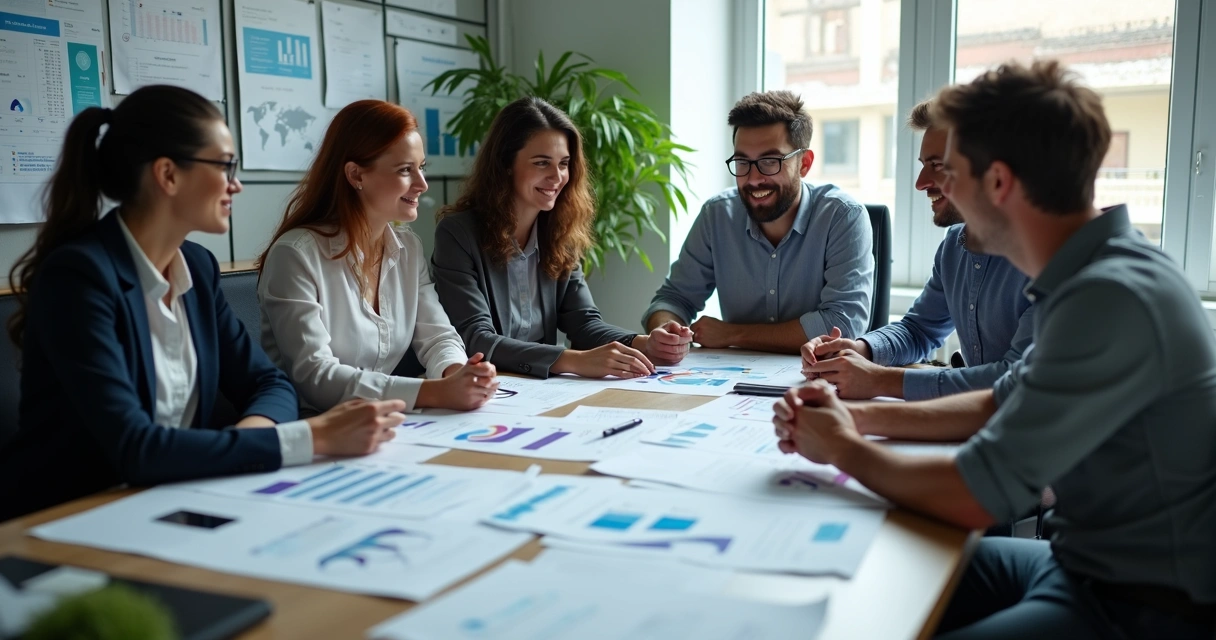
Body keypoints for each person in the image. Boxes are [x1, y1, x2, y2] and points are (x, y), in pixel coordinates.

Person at [773, 61, 1216, 639]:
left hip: (1145, 605)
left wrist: (842, 447)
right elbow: (1001, 401)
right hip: (1077, 563)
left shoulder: (1109, 298)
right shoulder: (1090, 272)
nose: (935, 188)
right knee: (868, 559)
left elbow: (974, 496)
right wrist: (849, 416)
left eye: (950, 171)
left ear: (999, 183)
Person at [0, 86, 405, 522]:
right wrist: (310, 438)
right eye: (225, 165)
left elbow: (269, 385)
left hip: (173, 498)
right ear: (168, 175)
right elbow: (135, 448)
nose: (237, 184)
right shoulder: (79, 277)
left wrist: (251, 443)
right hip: (68, 516)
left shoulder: (197, 266)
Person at [258, 100, 496, 414]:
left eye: (421, 168)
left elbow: (437, 335)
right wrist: (433, 392)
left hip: (382, 423)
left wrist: (457, 374)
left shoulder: (407, 248)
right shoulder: (295, 255)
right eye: (405, 170)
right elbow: (315, 377)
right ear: (356, 175)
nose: (422, 184)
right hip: (314, 426)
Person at [432, 96, 686, 379]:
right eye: (542, 163)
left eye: (564, 163)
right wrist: (573, 361)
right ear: (506, 163)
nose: (557, 176)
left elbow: (583, 322)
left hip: (542, 389)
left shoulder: (560, 233)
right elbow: (475, 339)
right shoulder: (458, 234)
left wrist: (645, 342)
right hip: (487, 386)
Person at [800, 99, 1035, 400]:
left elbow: (1012, 378)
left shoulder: (1045, 257)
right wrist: (860, 349)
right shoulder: (955, 244)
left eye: (938, 166)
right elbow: (919, 330)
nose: (921, 183)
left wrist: (882, 381)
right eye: (924, 165)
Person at [641, 90, 874, 354]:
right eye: (742, 162)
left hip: (818, 383)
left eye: (769, 161)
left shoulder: (842, 217)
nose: (753, 179)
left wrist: (733, 334)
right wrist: (665, 330)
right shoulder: (717, 215)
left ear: (804, 163)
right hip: (730, 383)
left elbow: (840, 323)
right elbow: (674, 299)